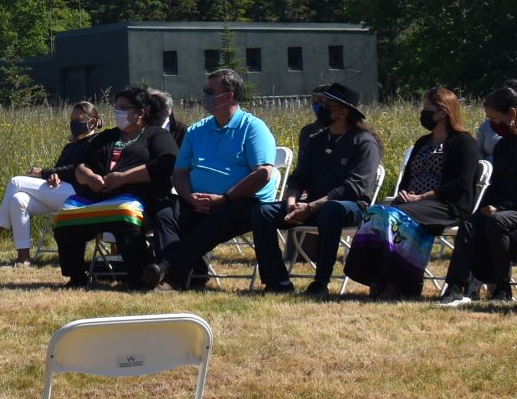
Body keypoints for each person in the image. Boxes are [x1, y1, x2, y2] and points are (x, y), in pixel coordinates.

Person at [142, 68, 281, 291]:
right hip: (197, 201)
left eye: (209, 91)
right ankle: (192, 274)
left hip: (242, 202)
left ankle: (168, 271)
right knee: (165, 212)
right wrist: (189, 197)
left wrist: (225, 198)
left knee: (217, 218)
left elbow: (262, 173)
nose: (204, 95)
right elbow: (180, 172)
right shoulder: (198, 130)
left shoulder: (254, 128)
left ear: (229, 95)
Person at [345, 88, 483, 300]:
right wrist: (404, 192)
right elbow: (408, 177)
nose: (423, 112)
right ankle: (376, 278)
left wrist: (423, 196)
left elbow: (461, 184)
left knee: (396, 216)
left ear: (442, 112)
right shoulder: (423, 142)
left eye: (427, 108)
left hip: (445, 205)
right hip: (413, 203)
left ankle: (400, 282)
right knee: (375, 213)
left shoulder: (463, 142)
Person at [250, 83, 383, 295]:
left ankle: (320, 283)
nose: (321, 108)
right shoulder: (316, 141)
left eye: (327, 104)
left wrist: (312, 206)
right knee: (263, 212)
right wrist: (292, 203)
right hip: (311, 205)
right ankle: (277, 281)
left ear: (343, 112)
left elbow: (354, 187)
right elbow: (299, 177)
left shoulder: (364, 143)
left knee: (331, 209)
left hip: (350, 208)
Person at [51, 87, 181, 288]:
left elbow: (165, 165)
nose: (116, 112)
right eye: (116, 107)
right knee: (65, 215)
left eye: (123, 108)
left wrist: (124, 178)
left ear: (140, 113)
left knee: (123, 213)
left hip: (139, 197)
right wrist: (90, 177)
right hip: (98, 196)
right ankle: (76, 275)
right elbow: (81, 164)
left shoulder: (157, 135)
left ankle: (141, 276)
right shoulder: (107, 136)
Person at [0, 102, 104, 265]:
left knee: (16, 182)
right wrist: (53, 176)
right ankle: (24, 258)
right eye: (72, 119)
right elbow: (61, 170)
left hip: (80, 195)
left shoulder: (96, 143)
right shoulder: (70, 146)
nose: (74, 123)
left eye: (79, 119)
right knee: (18, 199)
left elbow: (77, 169)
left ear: (92, 122)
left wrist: (43, 172)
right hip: (61, 192)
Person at [446, 85, 517, 304]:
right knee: (469, 223)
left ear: (512, 114)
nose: (493, 126)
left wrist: (501, 207)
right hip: (505, 209)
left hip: (509, 210)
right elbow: (497, 185)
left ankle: (503, 290)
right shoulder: (504, 146)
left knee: (497, 220)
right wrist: (482, 209)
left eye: (495, 119)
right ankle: (455, 288)